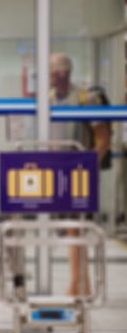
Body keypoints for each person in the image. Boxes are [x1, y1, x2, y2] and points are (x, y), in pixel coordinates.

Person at [49, 53, 111, 296]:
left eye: (50, 71)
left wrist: (87, 167)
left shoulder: (87, 98)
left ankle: (76, 284)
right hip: (57, 170)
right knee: (70, 228)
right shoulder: (51, 98)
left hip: (78, 171)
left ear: (62, 73)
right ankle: (83, 283)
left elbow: (103, 139)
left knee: (76, 227)